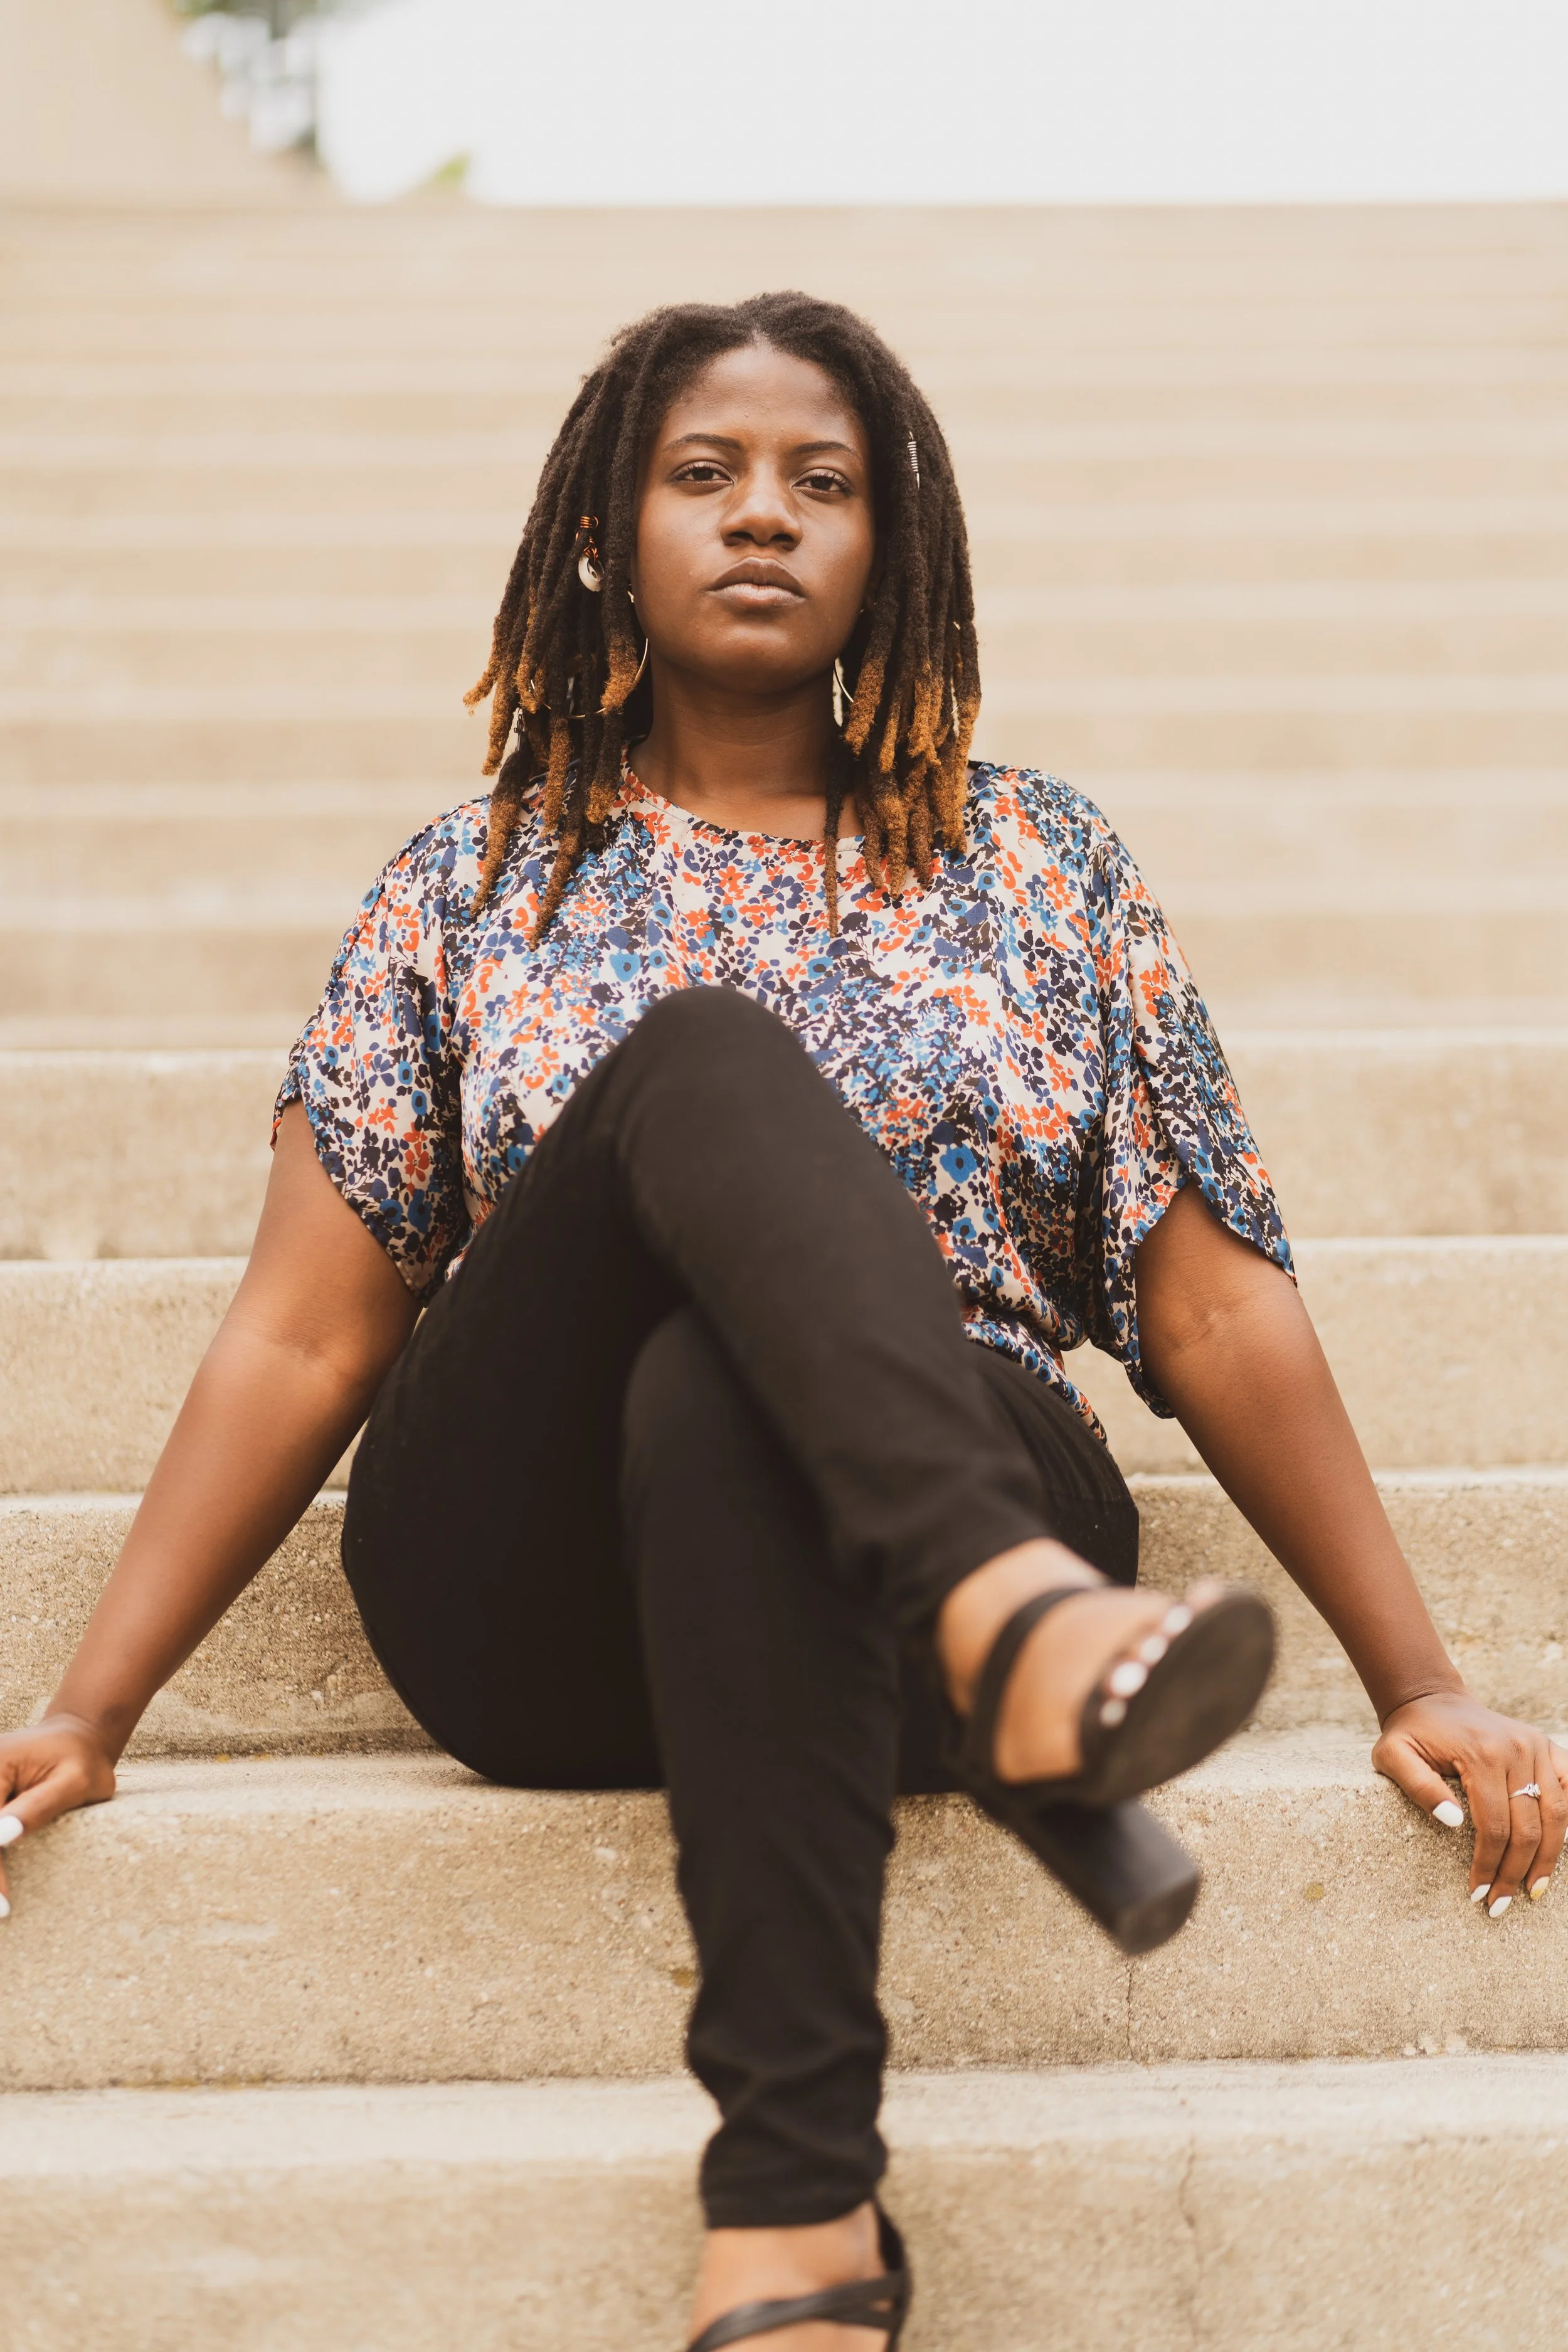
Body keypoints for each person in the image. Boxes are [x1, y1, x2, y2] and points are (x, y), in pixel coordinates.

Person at [3, 292, 1564, 2352]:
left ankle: (798, 2216)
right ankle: (1010, 1627)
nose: (764, 517)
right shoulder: (472, 886)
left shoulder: (1041, 866)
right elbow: (308, 1338)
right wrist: (91, 1708)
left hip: (916, 1531)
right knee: (705, 1058)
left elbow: (1205, 1312)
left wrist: (1418, 1670)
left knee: (720, 1398)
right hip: (540, 1601)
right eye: (704, 473)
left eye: (822, 484)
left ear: (886, 548)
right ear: (604, 535)